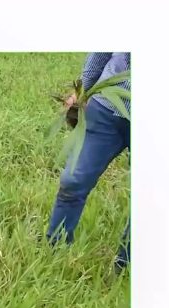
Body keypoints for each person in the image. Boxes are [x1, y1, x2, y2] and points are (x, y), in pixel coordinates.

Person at [46, 53, 130, 271]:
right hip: (107, 105)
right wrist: (83, 90)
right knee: (73, 180)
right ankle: (54, 253)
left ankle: (125, 267)